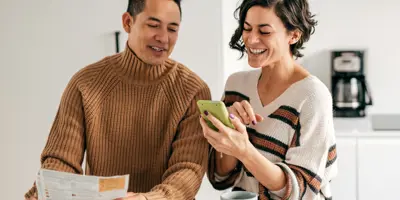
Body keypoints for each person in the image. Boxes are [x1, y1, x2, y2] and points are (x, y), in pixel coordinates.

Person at [24, 0, 211, 199]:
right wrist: (48, 190)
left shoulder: (193, 91)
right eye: (154, 25)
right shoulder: (85, 84)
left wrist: (148, 199)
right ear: (128, 22)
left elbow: (188, 170)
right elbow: (61, 160)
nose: (163, 38)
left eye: (172, 29)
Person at [200, 0, 338, 199]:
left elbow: (303, 190)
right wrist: (229, 131)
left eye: (264, 32)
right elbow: (221, 178)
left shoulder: (312, 96)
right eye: (247, 29)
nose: (251, 39)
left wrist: (246, 152)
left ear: (294, 35)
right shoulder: (236, 85)